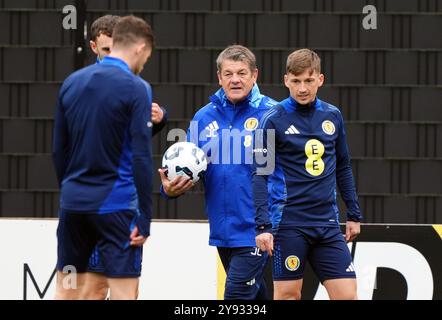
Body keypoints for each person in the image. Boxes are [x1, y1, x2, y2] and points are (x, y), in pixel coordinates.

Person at [159, 45, 284, 299]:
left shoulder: (273, 114)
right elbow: (190, 168)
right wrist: (169, 189)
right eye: (228, 74)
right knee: (255, 298)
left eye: (241, 73)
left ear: (254, 75)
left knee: (236, 296)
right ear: (219, 77)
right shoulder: (203, 117)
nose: (235, 79)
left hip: (258, 229)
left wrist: (273, 222)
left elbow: (289, 172)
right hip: (223, 232)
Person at [52, 15, 155, 300]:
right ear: (139, 48)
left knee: (67, 288)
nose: (144, 63)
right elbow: (141, 158)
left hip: (73, 206)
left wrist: (70, 191)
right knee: (124, 291)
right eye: (146, 56)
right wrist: (144, 218)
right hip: (116, 206)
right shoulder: (137, 88)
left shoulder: (72, 82)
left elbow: (59, 150)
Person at [253, 48, 362, 300]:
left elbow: (343, 166)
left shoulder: (333, 116)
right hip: (289, 224)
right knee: (289, 296)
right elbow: (260, 174)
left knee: (347, 296)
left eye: (309, 81)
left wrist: (354, 213)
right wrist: (262, 226)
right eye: (296, 81)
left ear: (320, 80)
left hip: (327, 224)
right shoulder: (271, 120)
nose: (302, 88)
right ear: (286, 81)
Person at [81, 14, 167, 300]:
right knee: (94, 288)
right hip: (94, 203)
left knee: (127, 290)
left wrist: (158, 122)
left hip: (124, 203)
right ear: (94, 47)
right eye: (106, 50)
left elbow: (130, 146)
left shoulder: (136, 84)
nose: (114, 56)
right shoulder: (85, 86)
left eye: (117, 48)